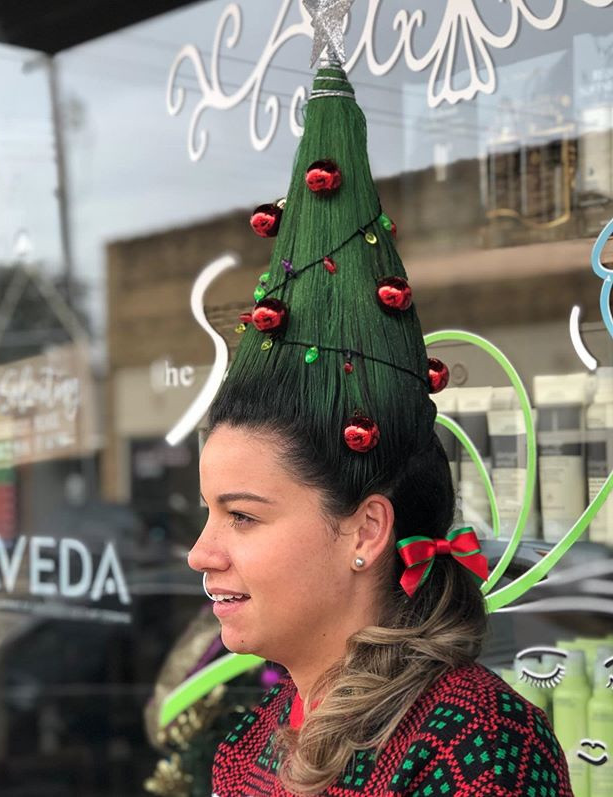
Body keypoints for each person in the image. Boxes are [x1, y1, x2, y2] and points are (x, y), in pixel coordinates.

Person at [186, 7, 574, 795]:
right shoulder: (247, 748)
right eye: (210, 512)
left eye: (242, 515)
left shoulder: (477, 745)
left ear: (365, 529)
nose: (201, 551)